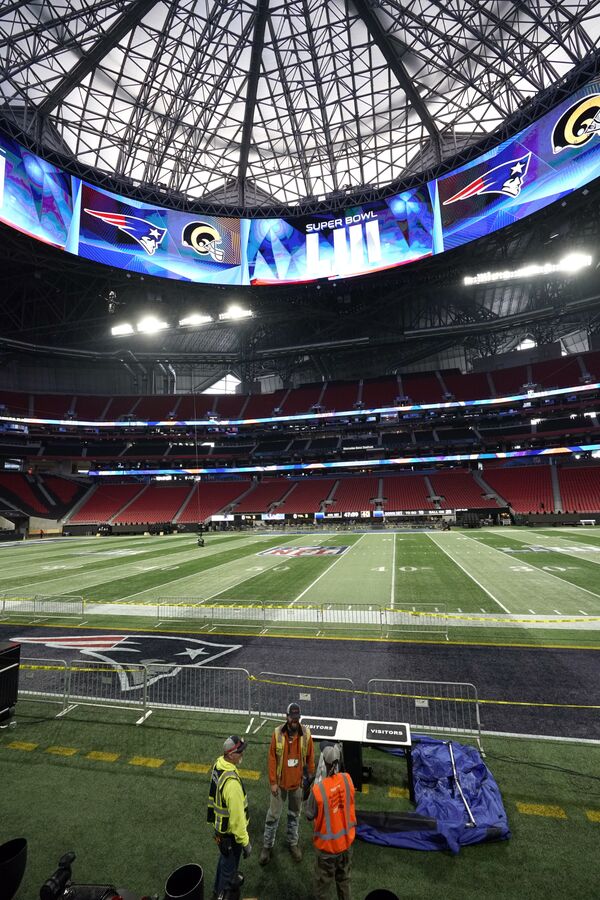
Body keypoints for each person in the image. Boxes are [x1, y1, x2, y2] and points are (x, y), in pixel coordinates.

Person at [259, 701, 315, 865]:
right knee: (273, 816)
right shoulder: (277, 734)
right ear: (286, 717)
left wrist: (309, 780)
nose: (295, 721)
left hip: (297, 785)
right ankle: (267, 846)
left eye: (297, 718)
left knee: (294, 816)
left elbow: (311, 758)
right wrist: (273, 782)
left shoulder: (306, 734)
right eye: (292, 718)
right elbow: (271, 759)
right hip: (280, 785)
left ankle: (292, 843)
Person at [306, 744, 356, 900]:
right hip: (346, 844)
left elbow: (309, 814)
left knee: (321, 888)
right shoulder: (347, 779)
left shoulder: (319, 790)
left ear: (325, 763)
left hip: (328, 850)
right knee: (344, 881)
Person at [207, 735, 252, 900]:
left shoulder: (219, 764)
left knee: (223, 864)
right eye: (240, 752)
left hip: (220, 831)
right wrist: (246, 843)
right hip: (230, 835)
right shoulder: (231, 783)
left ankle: (215, 893)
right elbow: (237, 820)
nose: (242, 754)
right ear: (231, 754)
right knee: (229, 874)